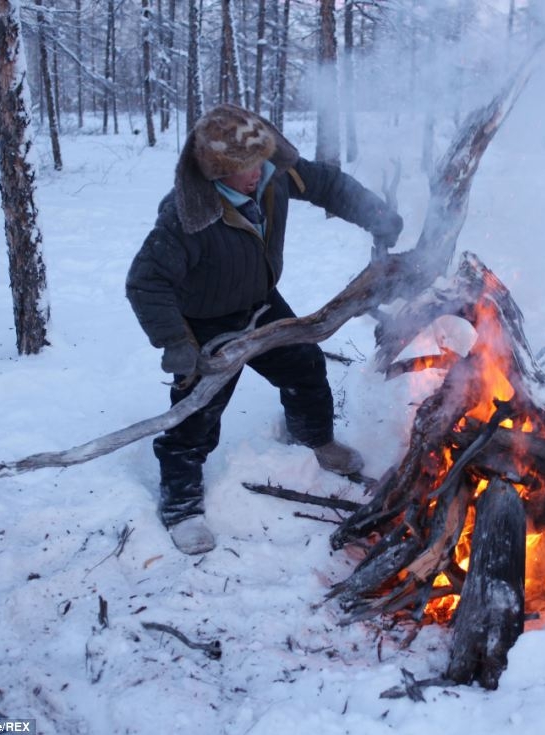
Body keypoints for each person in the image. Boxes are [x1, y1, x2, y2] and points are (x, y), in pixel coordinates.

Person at [126, 104, 403, 555]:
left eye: (259, 162)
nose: (257, 173)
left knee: (305, 366)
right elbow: (146, 282)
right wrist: (176, 341)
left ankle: (314, 439)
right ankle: (180, 506)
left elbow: (327, 184)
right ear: (217, 171)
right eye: (244, 169)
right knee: (196, 414)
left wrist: (375, 213)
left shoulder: (274, 174)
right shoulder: (185, 216)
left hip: (259, 303)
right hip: (205, 324)